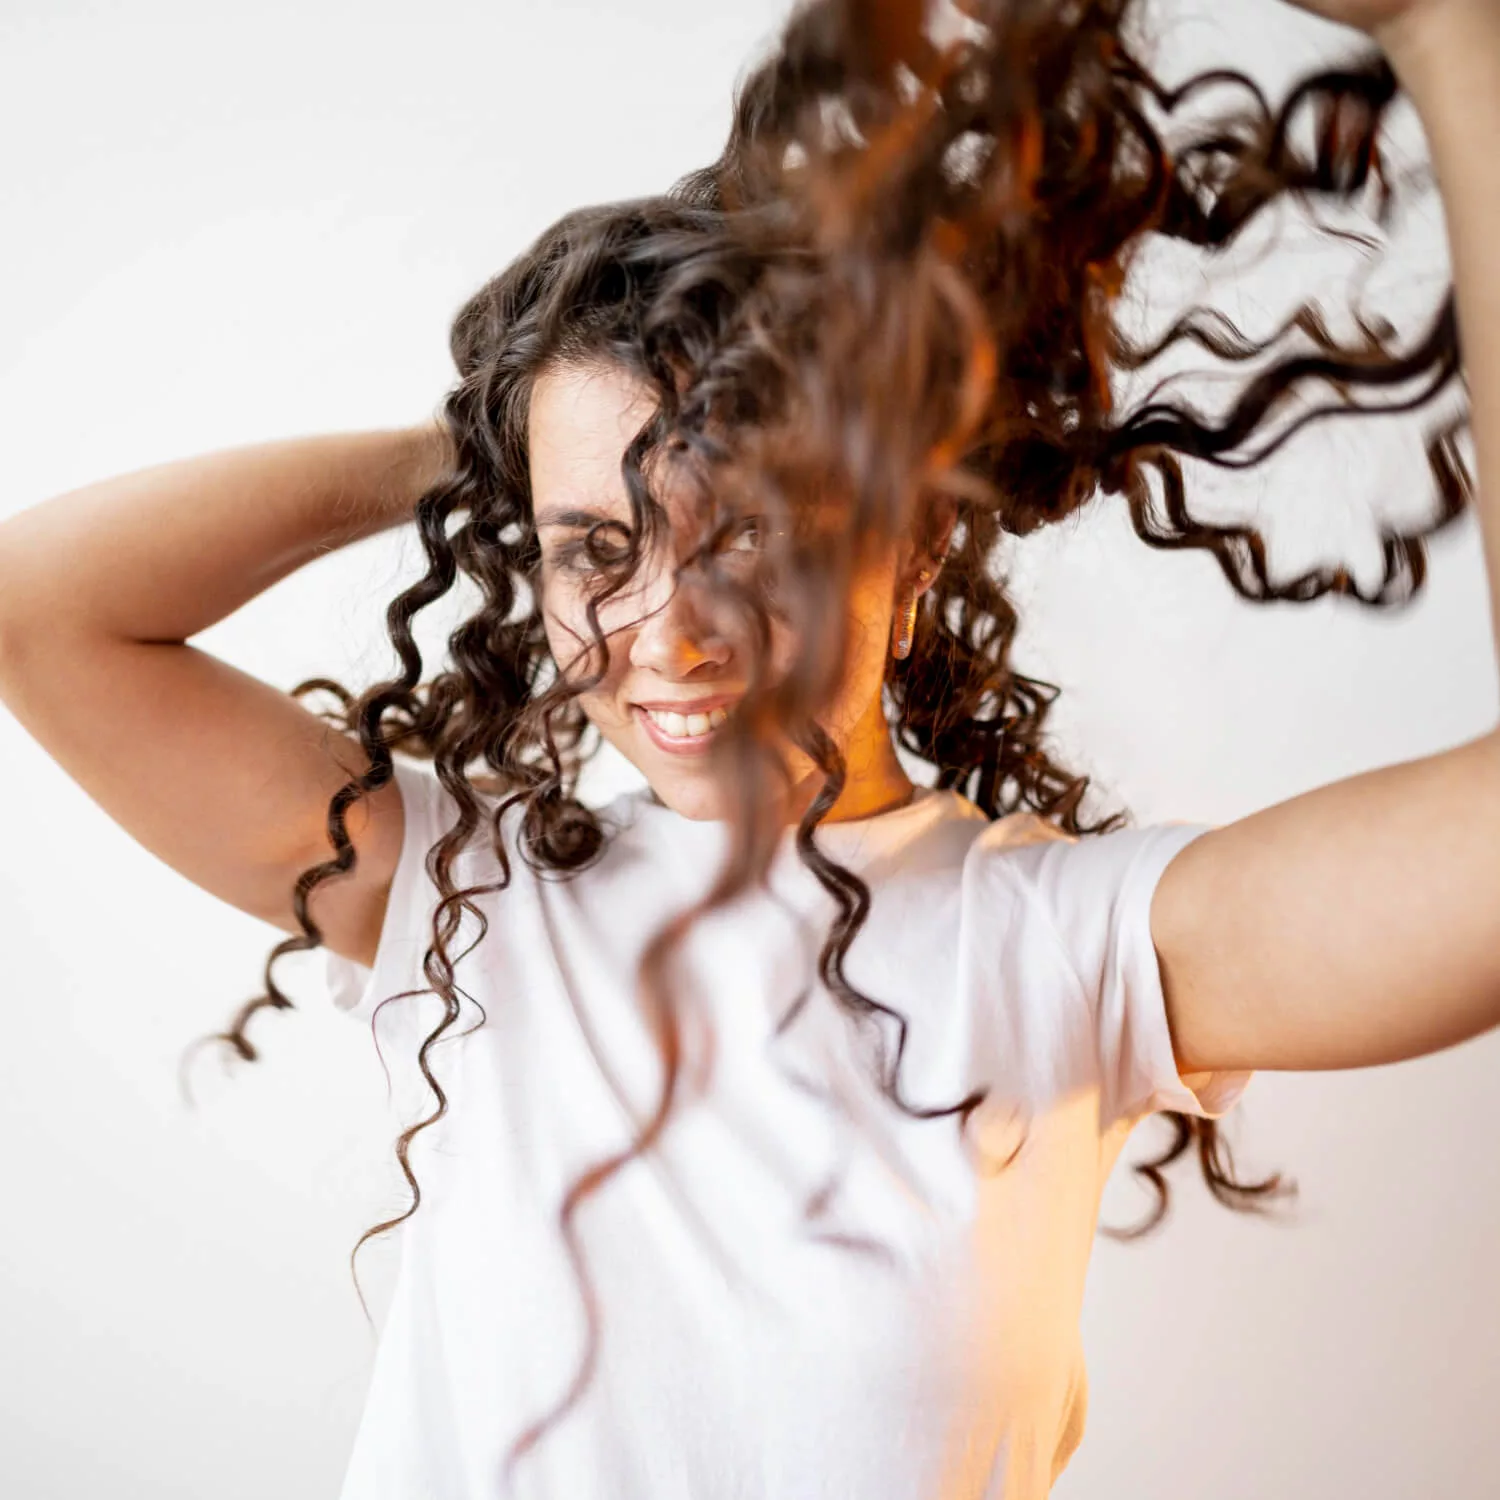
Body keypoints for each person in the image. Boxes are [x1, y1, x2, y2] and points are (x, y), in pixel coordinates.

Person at [1, 0, 1497, 1496]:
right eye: (598, 547)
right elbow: (40, 616)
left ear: (910, 548)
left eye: (754, 538)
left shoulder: (1067, 947)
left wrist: (1454, 37)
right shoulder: (467, 901)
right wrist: (479, 436)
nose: (670, 633)